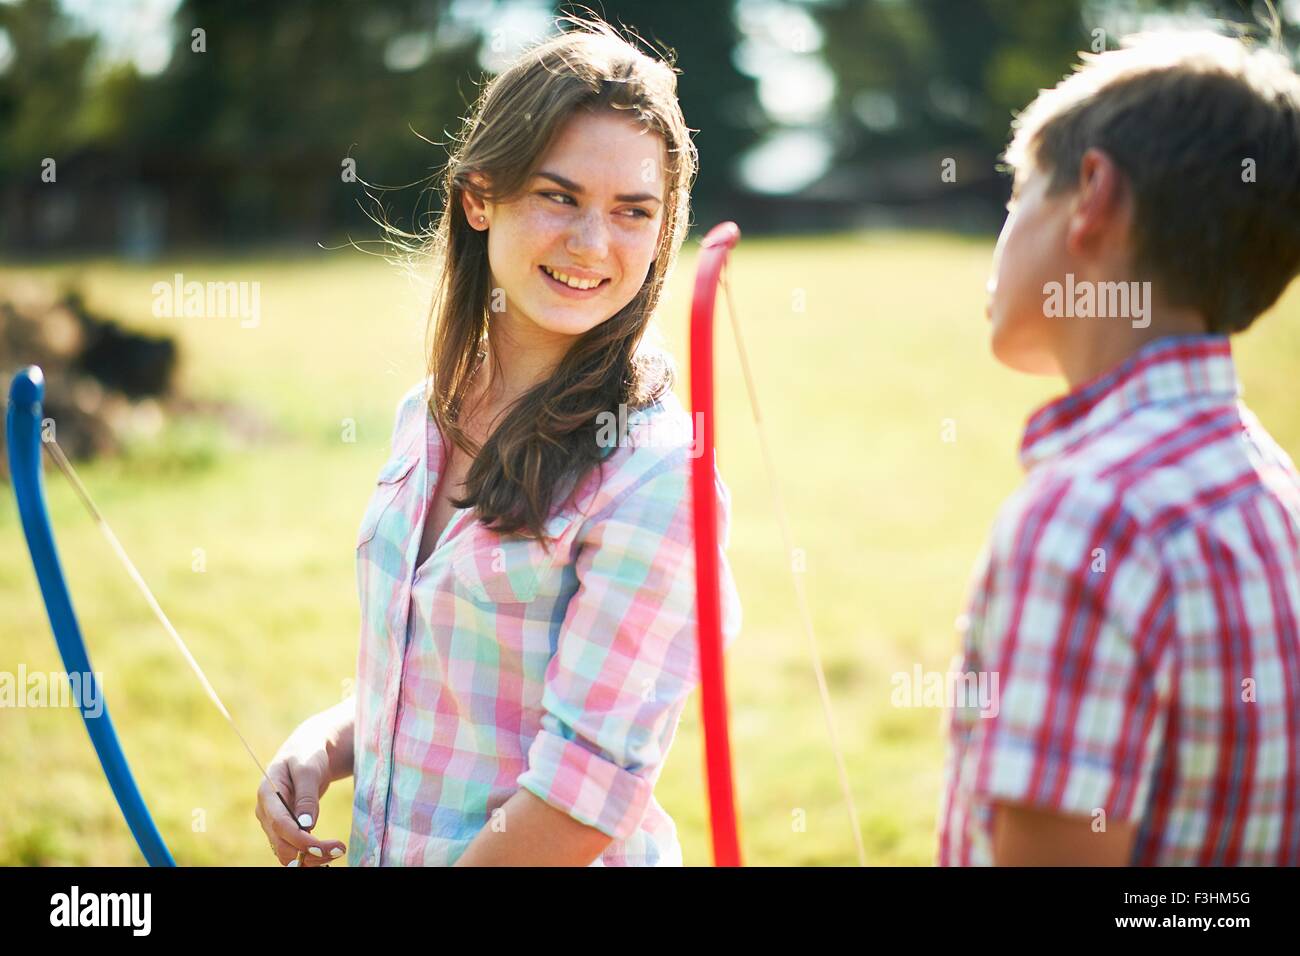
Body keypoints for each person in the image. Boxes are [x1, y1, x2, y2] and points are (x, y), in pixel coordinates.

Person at [254, 18, 742, 866]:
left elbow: (580, 796)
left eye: (634, 212)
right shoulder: (430, 412)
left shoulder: (657, 472)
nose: (594, 244)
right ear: (480, 195)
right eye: (559, 195)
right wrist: (330, 742)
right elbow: (445, 680)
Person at [939, 30, 1300, 865]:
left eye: (1017, 194)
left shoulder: (1085, 521)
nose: (1004, 227)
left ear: (1093, 195)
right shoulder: (1270, 488)